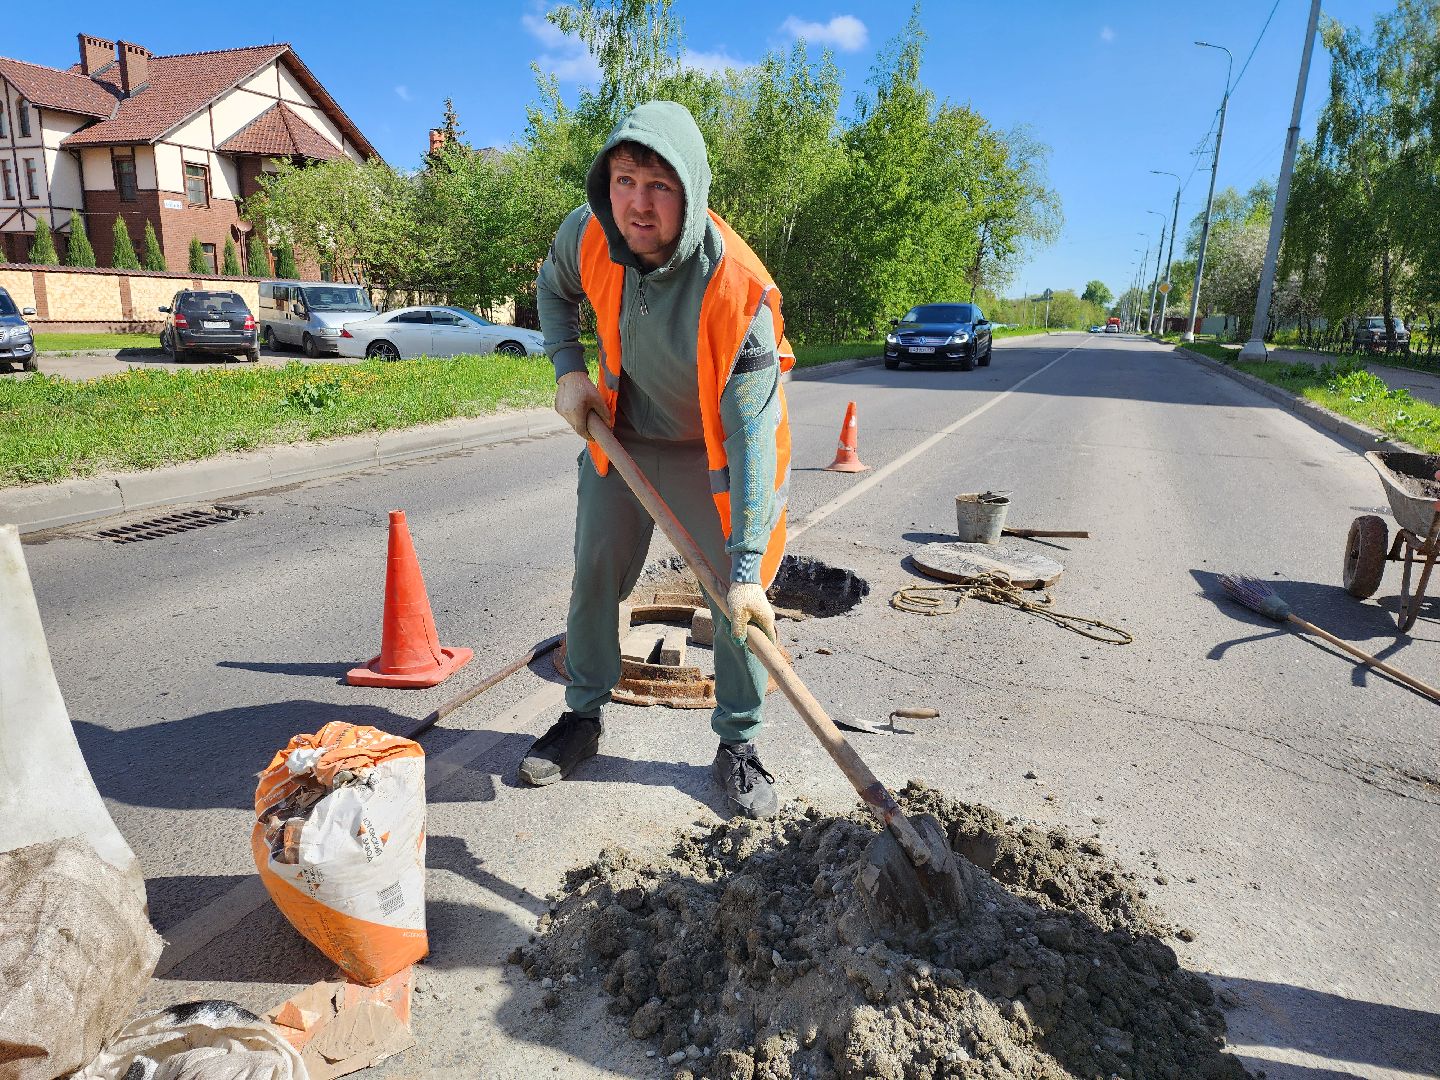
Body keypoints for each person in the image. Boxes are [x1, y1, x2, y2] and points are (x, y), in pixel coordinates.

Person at [520, 100, 794, 819]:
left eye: (659, 186)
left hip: (714, 453)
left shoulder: (739, 295)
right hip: (626, 437)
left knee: (735, 603)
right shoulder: (589, 235)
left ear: (690, 191)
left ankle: (739, 742)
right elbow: (552, 290)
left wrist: (745, 570)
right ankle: (582, 716)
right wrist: (567, 367)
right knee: (595, 573)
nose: (637, 205)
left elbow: (751, 440)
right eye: (624, 181)